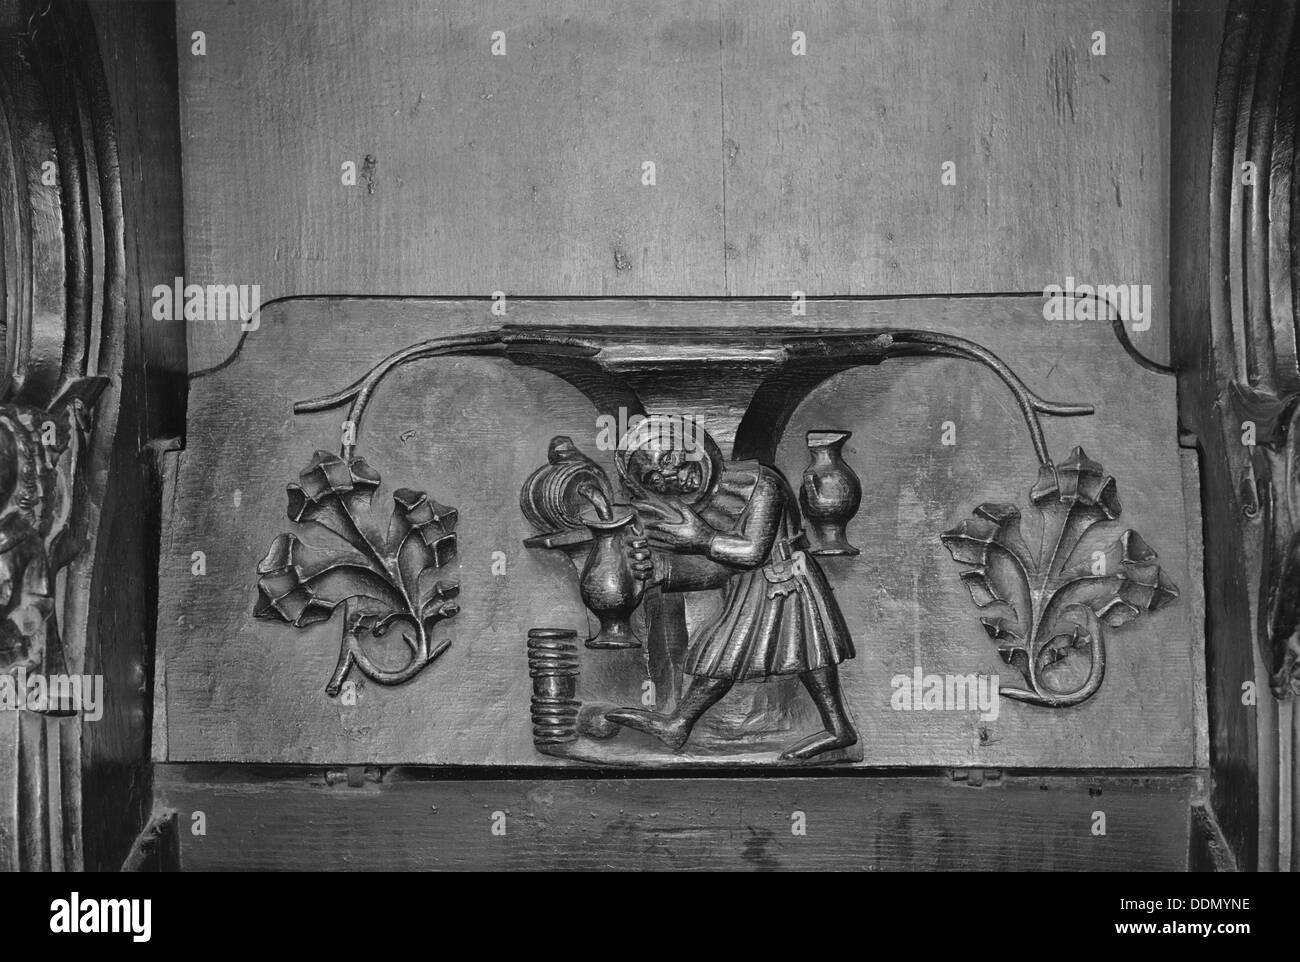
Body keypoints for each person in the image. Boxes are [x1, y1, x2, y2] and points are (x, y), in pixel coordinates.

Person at [606, 415, 858, 760]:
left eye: (667, 458)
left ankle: (837, 727)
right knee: (736, 652)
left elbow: (751, 551)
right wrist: (660, 573)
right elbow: (722, 569)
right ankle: (680, 723)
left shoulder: (760, 483)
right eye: (653, 478)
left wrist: (700, 538)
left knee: (804, 650)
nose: (667, 475)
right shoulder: (708, 505)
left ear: (691, 445)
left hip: (785, 577)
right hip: (753, 585)